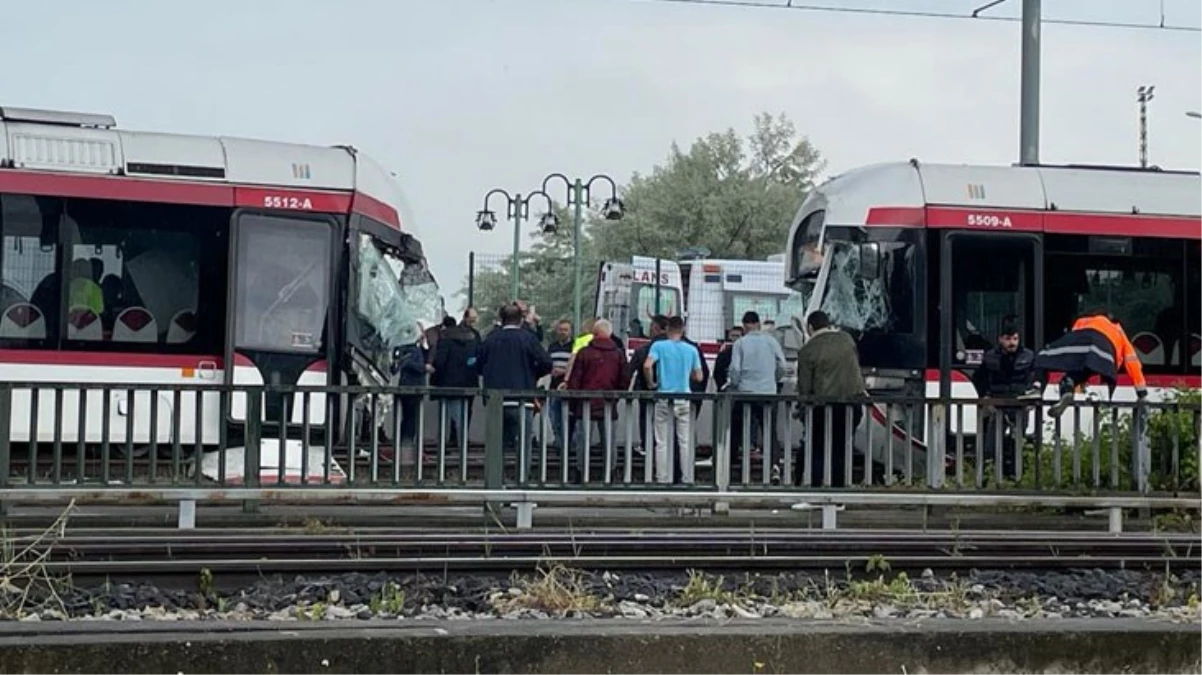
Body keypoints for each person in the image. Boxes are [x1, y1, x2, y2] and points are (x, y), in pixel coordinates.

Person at [1020, 309, 1148, 417]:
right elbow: (1132, 361)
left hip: (1084, 341)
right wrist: (1141, 394)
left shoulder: (1083, 321)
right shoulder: (1118, 330)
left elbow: (1073, 346)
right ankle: (1068, 390)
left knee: (1043, 357)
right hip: (1105, 356)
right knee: (1075, 375)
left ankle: (1037, 389)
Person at [478, 303, 553, 479]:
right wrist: (532, 375)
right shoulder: (528, 338)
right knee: (523, 446)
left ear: (501, 320)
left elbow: (478, 365)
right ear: (521, 320)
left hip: (495, 401)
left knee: (497, 446)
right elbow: (547, 363)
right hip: (523, 399)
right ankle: (521, 485)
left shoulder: (490, 339)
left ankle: (497, 485)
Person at [795, 310, 865, 487]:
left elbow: (805, 387)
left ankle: (814, 490)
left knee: (816, 449)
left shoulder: (807, 350)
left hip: (823, 407)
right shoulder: (846, 339)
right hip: (853, 404)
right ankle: (838, 492)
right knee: (841, 449)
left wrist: (801, 408)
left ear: (810, 327)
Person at [566, 319, 629, 482]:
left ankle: (581, 474)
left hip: (585, 403)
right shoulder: (618, 354)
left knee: (583, 442)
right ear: (609, 334)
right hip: (608, 403)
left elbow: (575, 380)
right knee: (609, 442)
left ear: (594, 334)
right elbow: (624, 379)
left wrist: (574, 403)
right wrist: (616, 397)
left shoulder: (584, 353)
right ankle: (611, 474)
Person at [971, 318, 1034, 482]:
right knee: (991, 445)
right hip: (997, 405)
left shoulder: (1028, 356)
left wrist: (1033, 396)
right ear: (1000, 339)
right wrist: (985, 397)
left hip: (1020, 404)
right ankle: (988, 477)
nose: (1012, 343)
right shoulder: (990, 357)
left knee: (1018, 443)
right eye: (1008, 339)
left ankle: (1017, 477)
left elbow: (1035, 378)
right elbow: (979, 379)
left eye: (1015, 338)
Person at [643, 316, 704, 485]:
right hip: (684, 398)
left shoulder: (659, 346)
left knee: (662, 442)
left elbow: (647, 365)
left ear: (668, 329)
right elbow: (699, 376)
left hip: (664, 398)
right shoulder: (691, 349)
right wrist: (688, 373)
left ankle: (663, 478)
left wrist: (651, 383)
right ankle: (687, 478)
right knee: (685, 441)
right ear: (683, 330)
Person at [728, 311, 786, 463]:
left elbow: (735, 369)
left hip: (745, 391)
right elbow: (782, 365)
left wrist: (735, 383)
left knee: (736, 427)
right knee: (769, 429)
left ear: (744, 326)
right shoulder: (772, 342)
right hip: (768, 391)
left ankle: (732, 461)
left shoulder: (740, 343)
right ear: (758, 324)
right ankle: (774, 463)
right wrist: (773, 379)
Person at [432, 315, 482, 447]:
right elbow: (477, 359)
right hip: (469, 382)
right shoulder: (472, 338)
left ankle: (448, 443)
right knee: (464, 413)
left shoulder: (445, 339)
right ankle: (462, 442)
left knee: (448, 414)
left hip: (448, 383)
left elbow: (440, 362)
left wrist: (434, 372)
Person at [630, 315, 669, 455]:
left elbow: (630, 371)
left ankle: (647, 446)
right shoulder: (678, 348)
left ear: (655, 328)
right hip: (671, 393)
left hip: (646, 392)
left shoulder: (643, 350)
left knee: (646, 419)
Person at [547, 319, 575, 447]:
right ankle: (559, 441)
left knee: (569, 417)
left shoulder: (575, 347)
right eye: (560, 329)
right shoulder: (552, 347)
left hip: (569, 386)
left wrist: (564, 371)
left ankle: (568, 442)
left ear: (571, 332)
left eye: (565, 330)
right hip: (554, 385)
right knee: (554, 415)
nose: (562, 332)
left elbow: (576, 366)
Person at [712, 325, 744, 392]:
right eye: (733, 335)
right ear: (729, 336)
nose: (735, 338)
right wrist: (723, 386)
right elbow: (717, 373)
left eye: (737, 336)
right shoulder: (723, 354)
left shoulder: (746, 354)